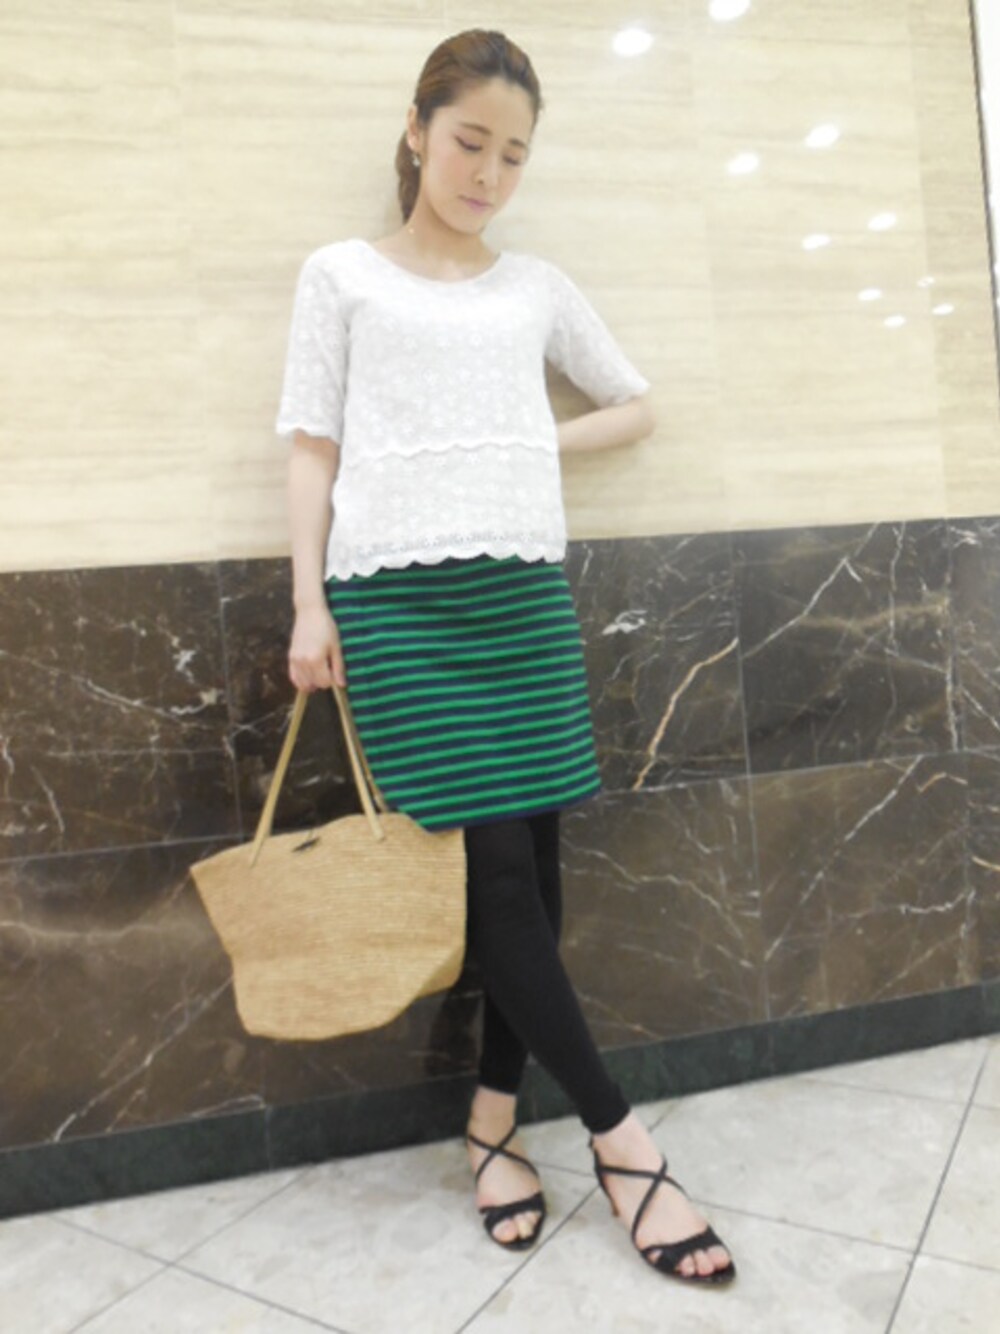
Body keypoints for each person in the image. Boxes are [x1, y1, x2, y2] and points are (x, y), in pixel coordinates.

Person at [276, 28, 736, 1288]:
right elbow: (312, 445)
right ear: (417, 129)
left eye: (514, 155)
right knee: (495, 883)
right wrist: (308, 603)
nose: (487, 173)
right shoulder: (341, 276)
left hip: (520, 600)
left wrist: (532, 438)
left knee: (535, 870)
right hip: (398, 611)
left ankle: (490, 1122)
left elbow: (634, 402)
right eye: (469, 141)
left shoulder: (532, 286)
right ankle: (622, 1141)